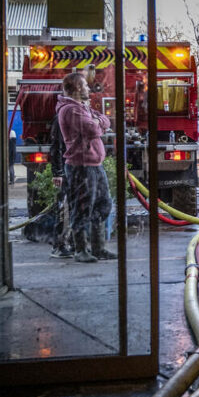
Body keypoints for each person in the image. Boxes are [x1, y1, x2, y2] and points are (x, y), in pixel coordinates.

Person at [56, 72, 116, 263]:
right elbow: (93, 129)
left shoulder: (82, 108)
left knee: (103, 204)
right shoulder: (71, 110)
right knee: (82, 208)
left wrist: (99, 122)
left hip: (94, 165)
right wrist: (99, 123)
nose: (89, 88)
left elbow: (105, 120)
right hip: (81, 167)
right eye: (85, 85)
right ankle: (80, 250)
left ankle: (98, 249)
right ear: (76, 89)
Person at [48, 113, 73, 258]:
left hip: (73, 168)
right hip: (65, 169)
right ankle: (59, 245)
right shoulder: (62, 117)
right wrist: (57, 172)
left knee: (72, 207)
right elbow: (56, 145)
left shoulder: (76, 114)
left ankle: (70, 243)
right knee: (64, 208)